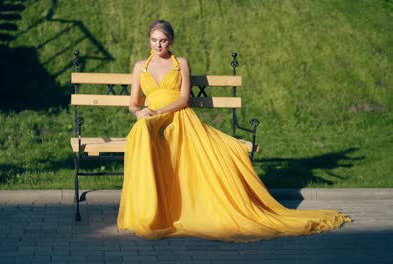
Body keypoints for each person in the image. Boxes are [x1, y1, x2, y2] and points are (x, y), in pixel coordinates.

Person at [117, 19, 352, 242]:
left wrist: (159, 112)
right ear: (148, 40)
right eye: (154, 40)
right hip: (151, 118)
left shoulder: (181, 64)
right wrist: (139, 112)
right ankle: (147, 212)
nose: (158, 45)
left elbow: (184, 99)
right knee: (142, 131)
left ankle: (164, 210)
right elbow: (133, 102)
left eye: (163, 41)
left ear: (171, 42)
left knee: (217, 147)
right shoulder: (141, 66)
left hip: (177, 116)